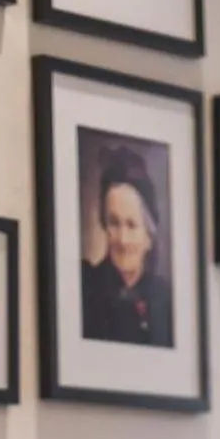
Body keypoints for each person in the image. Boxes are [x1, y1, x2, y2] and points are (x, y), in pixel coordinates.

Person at [81, 149, 173, 347]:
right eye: (114, 223)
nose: (122, 240)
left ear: (149, 236)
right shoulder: (85, 287)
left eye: (131, 225)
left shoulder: (165, 298)